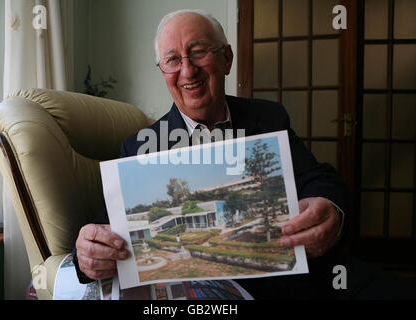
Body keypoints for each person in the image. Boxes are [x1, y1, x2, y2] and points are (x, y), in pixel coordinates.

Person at [73, 9, 413, 299]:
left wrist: (330, 210)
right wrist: (84, 255)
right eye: (173, 59)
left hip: (298, 279)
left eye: (199, 52)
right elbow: (105, 233)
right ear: (163, 71)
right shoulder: (139, 145)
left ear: (227, 59)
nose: (188, 70)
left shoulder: (268, 117)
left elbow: (318, 178)